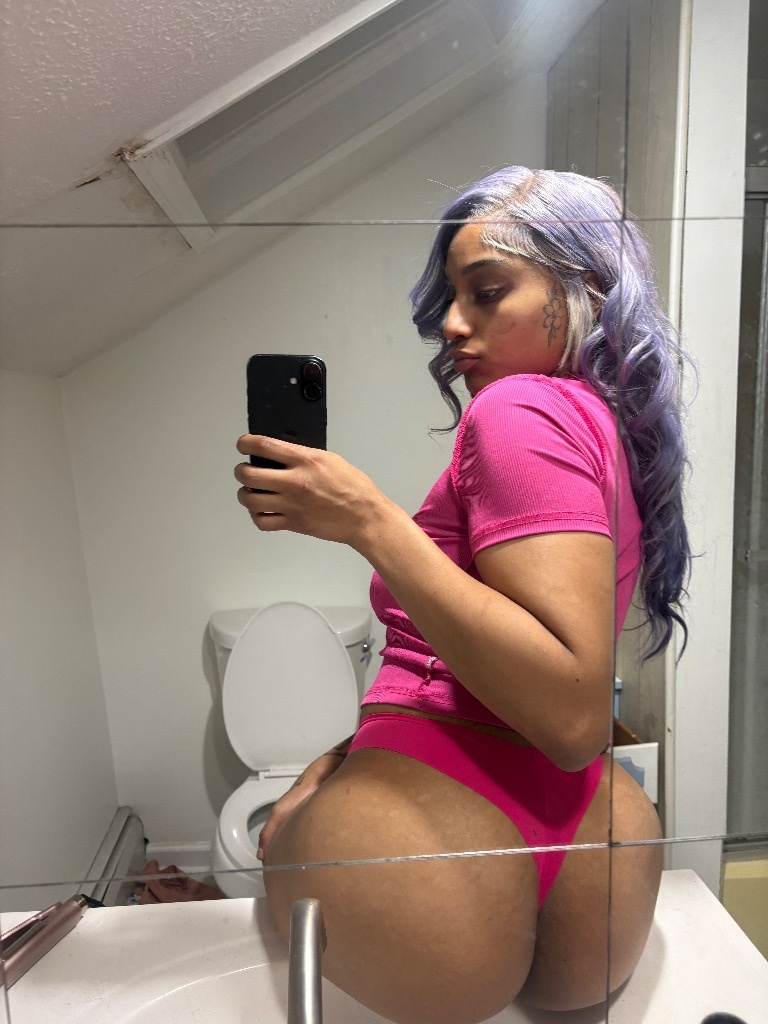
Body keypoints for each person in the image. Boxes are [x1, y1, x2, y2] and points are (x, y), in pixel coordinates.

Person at [234, 166, 690, 1024]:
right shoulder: (603, 424)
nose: (450, 323)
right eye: (451, 296)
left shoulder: (513, 411)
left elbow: (568, 715)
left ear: (586, 291)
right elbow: (523, 676)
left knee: (272, 848)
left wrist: (368, 520)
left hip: (427, 825)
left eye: (486, 292)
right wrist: (343, 756)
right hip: (598, 835)